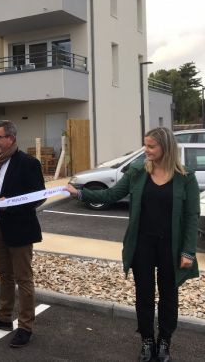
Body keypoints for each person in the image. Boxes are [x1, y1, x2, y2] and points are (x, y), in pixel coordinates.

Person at [66, 127, 200, 362]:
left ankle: (164, 342)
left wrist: (188, 251)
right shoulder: (138, 171)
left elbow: (191, 216)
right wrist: (80, 194)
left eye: (151, 146)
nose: (146, 150)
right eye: (145, 145)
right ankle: (147, 340)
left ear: (165, 147)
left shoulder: (185, 177)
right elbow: (111, 195)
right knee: (144, 296)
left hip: (171, 247)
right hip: (142, 245)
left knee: (169, 297)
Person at [0, 120, 45, 348]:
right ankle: (3, 316)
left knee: (23, 278)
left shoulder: (28, 163)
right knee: (4, 273)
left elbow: (39, 196)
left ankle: (25, 326)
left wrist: (12, 204)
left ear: (11, 139)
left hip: (20, 229)